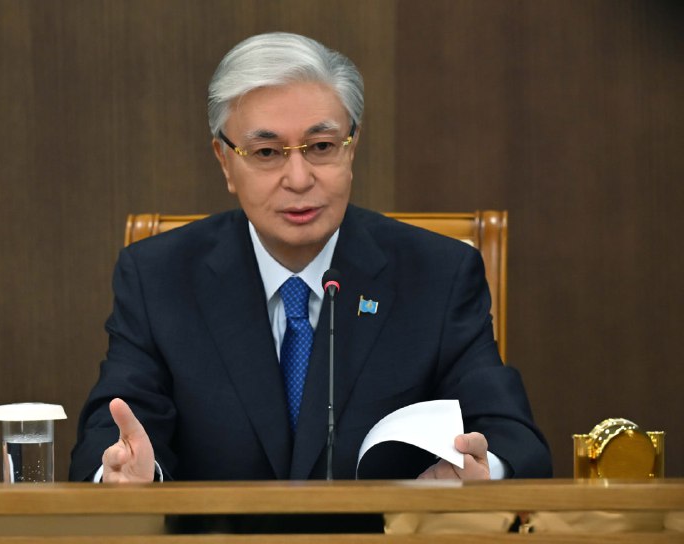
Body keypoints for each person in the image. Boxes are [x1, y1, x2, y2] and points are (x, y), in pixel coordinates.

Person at [70, 31, 552, 532]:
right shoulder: (159, 277)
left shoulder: (437, 274)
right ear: (225, 161)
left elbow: (512, 437)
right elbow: (115, 429)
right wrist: (127, 477)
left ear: (351, 148)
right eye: (266, 152)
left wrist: (483, 471)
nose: (299, 179)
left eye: (321, 146)